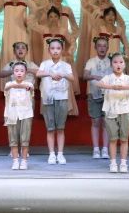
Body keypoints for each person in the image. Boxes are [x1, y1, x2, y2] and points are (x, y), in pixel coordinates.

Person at [96, 53, 129, 173]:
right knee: (113, 139)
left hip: (125, 111)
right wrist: (112, 87)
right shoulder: (108, 77)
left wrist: (125, 87)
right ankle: (112, 163)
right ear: (111, 64)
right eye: (115, 62)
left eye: (121, 62)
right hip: (110, 111)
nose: (118, 65)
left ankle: (123, 163)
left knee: (124, 139)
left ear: (125, 64)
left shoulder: (128, 78)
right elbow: (99, 84)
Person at [37, 37, 74, 165]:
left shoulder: (66, 65)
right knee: (50, 128)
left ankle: (60, 154)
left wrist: (63, 74)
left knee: (61, 128)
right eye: (52, 48)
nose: (55, 51)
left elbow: (72, 78)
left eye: (58, 48)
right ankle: (52, 153)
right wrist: (50, 74)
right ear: (49, 50)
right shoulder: (45, 64)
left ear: (62, 50)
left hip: (62, 98)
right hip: (48, 98)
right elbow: (38, 74)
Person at [81, 36, 112, 160]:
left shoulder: (112, 61)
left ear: (108, 48)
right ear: (95, 47)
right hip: (94, 94)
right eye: (99, 46)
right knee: (96, 121)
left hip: (108, 95)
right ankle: (95, 149)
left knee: (106, 122)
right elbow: (84, 76)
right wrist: (95, 76)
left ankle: (105, 149)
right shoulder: (91, 61)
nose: (102, 48)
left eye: (104, 46)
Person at [0, 0, 32, 68]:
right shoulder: (4, 1)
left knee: (22, 50)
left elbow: (32, 13)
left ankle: (24, 73)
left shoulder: (25, 1)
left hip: (21, 30)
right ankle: (8, 74)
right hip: (9, 31)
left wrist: (28, 23)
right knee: (8, 49)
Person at [4, 61, 36, 170]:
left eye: (22, 71)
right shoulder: (9, 84)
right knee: (13, 139)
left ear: (26, 73)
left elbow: (30, 88)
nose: (19, 73)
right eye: (16, 71)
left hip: (26, 114)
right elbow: (8, 87)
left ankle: (24, 161)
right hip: (12, 114)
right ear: (13, 73)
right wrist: (20, 85)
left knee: (25, 139)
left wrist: (25, 86)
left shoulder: (29, 84)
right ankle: (15, 161)